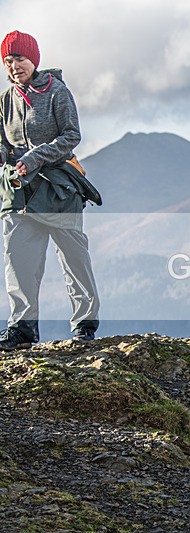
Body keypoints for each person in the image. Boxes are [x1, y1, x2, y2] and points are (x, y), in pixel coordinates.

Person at [0, 30, 99, 350]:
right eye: (7, 60)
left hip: (59, 188)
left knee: (73, 255)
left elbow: (71, 136)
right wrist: (6, 166)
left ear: (34, 59)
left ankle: (84, 325)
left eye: (19, 58)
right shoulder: (5, 100)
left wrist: (35, 157)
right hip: (18, 191)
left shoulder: (57, 92)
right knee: (18, 258)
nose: (13, 65)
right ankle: (22, 328)